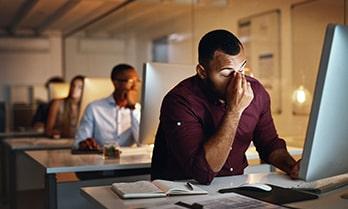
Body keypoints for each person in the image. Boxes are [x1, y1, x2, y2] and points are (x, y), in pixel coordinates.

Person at [151, 29, 300, 185]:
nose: (238, 81)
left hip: (234, 187)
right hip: (184, 191)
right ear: (202, 72)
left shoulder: (256, 92)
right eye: (227, 73)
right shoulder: (179, 101)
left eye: (242, 69)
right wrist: (234, 110)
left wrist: (292, 167)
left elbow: (269, 144)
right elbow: (202, 172)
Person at [74, 64, 141, 150]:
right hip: (101, 159)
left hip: (131, 160)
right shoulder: (94, 108)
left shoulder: (138, 110)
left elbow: (141, 143)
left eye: (137, 81)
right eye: (131, 81)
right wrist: (85, 144)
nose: (135, 86)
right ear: (115, 82)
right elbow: (79, 142)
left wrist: (133, 108)